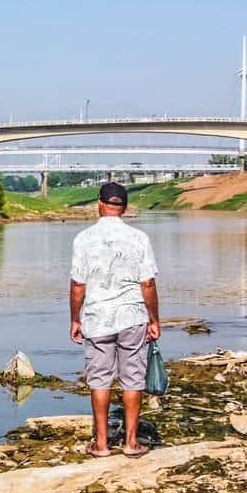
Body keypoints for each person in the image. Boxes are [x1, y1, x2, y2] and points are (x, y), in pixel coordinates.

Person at [69, 181, 161, 458]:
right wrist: (154, 319)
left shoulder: (83, 238)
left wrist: (76, 319)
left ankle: (101, 444)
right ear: (125, 207)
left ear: (99, 204)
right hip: (132, 317)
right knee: (133, 379)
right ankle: (131, 444)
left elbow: (77, 286)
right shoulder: (139, 238)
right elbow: (148, 284)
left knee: (99, 379)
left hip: (97, 318)